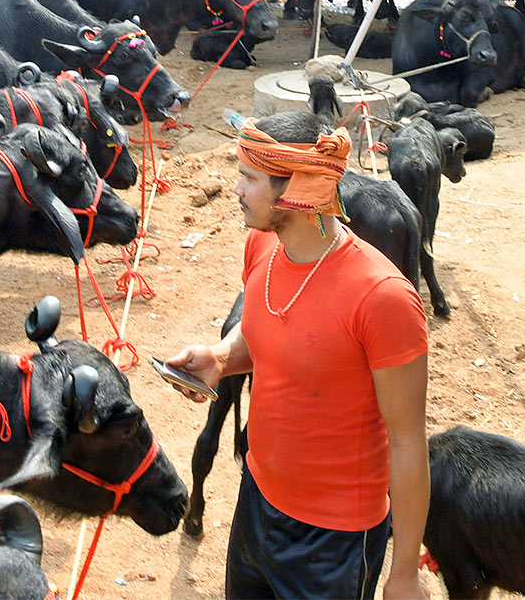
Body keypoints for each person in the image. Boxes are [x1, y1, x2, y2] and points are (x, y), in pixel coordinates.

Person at [166, 111, 429, 600]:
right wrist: (222, 357)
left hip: (334, 541)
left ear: (299, 189)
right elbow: (271, 333)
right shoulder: (262, 247)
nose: (236, 190)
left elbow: (408, 441)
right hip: (256, 502)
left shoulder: (383, 298)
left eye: (249, 178)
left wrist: (405, 573)